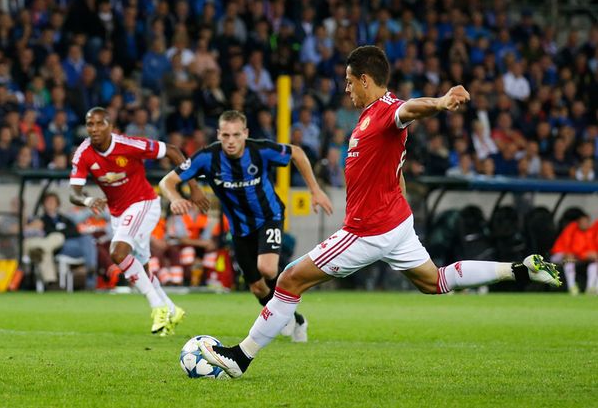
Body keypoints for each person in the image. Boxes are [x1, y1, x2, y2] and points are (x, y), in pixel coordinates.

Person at [196, 45, 562, 378]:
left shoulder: (386, 111)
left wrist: (440, 101)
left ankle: (239, 359)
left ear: (365, 79)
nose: (346, 89)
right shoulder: (370, 116)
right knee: (434, 281)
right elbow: (395, 169)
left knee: (290, 279)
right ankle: (520, 269)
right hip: (397, 224)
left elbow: (410, 108)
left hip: (367, 230)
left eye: (349, 81)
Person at [159, 110, 333, 342]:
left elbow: (297, 153)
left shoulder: (259, 150)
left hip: (269, 216)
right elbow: (167, 181)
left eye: (236, 135)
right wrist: (176, 198)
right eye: (226, 135)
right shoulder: (207, 157)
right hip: (239, 228)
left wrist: (315, 189)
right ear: (219, 134)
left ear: (245, 134)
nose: (231, 141)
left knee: (268, 269)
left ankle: (285, 311)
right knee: (257, 289)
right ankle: (295, 318)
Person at [69, 107, 200, 336]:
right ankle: (172, 309)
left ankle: (157, 307)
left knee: (118, 252)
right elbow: (73, 193)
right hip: (118, 214)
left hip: (144, 203)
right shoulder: (84, 153)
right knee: (142, 266)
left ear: (111, 126)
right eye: (90, 124)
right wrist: (88, 200)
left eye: (100, 123)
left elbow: (173, 151)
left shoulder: (129, 144)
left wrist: (194, 187)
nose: (95, 129)